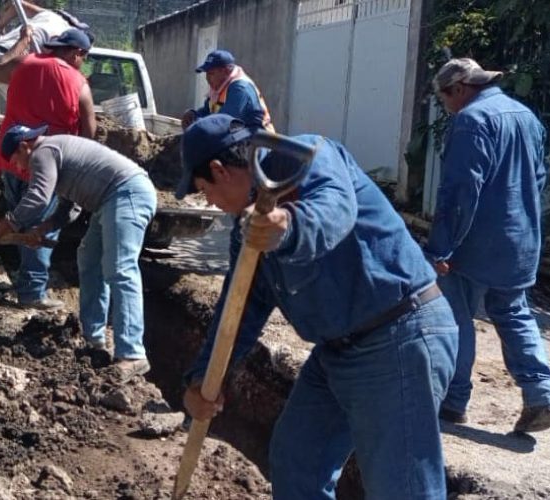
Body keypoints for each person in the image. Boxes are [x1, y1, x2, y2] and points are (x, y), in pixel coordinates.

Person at [180, 114, 457, 499]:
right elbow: (238, 310)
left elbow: (334, 211)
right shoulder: (247, 230)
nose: (207, 200)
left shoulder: (308, 157)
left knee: (403, 488)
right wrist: (202, 379)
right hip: (337, 352)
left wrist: (288, 227)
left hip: (398, 336)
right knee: (298, 461)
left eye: (201, 189)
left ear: (219, 170)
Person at [428, 58, 550, 432]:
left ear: (458, 89)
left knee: (456, 316)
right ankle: (541, 395)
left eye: (445, 99)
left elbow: (459, 193)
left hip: (476, 242)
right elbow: (538, 178)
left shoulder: (471, 122)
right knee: (513, 312)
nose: (447, 107)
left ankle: (453, 403)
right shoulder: (525, 116)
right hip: (522, 238)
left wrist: (440, 249)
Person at [0, 125, 156, 380]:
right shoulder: (56, 153)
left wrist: (1, 228)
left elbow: (38, 198)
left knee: (120, 267)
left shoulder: (43, 151)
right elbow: (69, 209)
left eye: (17, 161)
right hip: (109, 200)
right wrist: (44, 229)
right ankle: (94, 339)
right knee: (89, 259)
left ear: (23, 146)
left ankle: (132, 353)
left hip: (127, 192)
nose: (20, 169)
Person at [0, 28, 97, 309]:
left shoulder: (24, 64)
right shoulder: (78, 82)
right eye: (83, 57)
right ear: (76, 53)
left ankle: (26, 283)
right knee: (41, 229)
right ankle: (32, 293)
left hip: (12, 159)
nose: (82, 63)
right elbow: (91, 130)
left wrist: (22, 42)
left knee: (22, 217)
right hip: (49, 167)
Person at [0, 1, 89, 112]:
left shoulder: (49, 15)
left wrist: (0, 25)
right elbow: (59, 68)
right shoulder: (65, 36)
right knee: (30, 109)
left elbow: (17, 5)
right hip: (11, 58)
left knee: (9, 109)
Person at [181, 49, 275, 132]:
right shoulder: (217, 90)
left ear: (226, 71)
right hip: (240, 138)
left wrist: (196, 123)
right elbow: (209, 111)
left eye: (211, 73)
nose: (207, 78)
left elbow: (224, 121)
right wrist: (193, 115)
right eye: (207, 74)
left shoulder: (240, 88)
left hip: (260, 140)